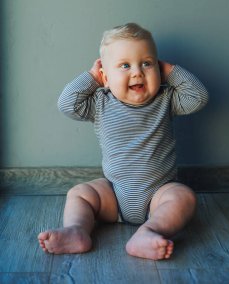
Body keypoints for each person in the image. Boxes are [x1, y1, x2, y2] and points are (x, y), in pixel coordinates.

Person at [38, 23, 208, 260]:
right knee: (79, 192)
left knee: (184, 197)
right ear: (105, 77)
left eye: (147, 63)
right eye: (125, 65)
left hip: (158, 195)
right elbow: (67, 104)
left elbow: (198, 97)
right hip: (114, 195)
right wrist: (91, 77)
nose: (137, 72)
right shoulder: (100, 103)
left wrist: (170, 71)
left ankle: (149, 231)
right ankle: (76, 230)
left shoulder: (166, 99)